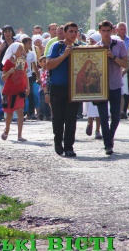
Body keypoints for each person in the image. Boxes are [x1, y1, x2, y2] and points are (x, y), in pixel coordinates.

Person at [46, 22, 80, 157]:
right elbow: (48, 64)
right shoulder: (57, 46)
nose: (73, 34)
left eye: (75, 31)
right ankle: (58, 142)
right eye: (70, 31)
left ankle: (69, 147)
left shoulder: (80, 48)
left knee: (71, 119)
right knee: (58, 118)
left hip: (74, 89)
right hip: (57, 88)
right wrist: (64, 55)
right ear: (64, 33)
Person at [95, 20, 128, 155]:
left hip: (115, 84)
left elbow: (125, 64)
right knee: (103, 116)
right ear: (99, 31)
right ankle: (107, 144)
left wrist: (113, 57)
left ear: (112, 31)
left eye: (108, 30)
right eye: (103, 31)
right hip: (101, 87)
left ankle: (110, 136)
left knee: (116, 116)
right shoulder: (96, 47)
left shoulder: (119, 44)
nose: (106, 33)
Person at [1, 42, 30, 142]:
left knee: (20, 112)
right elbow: (3, 78)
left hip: (20, 90)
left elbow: (25, 75)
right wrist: (9, 71)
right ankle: (7, 129)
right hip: (8, 92)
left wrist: (28, 87)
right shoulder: (8, 63)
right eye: (20, 50)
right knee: (9, 113)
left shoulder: (23, 62)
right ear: (14, 51)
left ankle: (19, 135)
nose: (23, 52)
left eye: (23, 50)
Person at [116, 22, 129, 119]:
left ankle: (124, 111)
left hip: (128, 67)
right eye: (121, 29)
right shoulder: (114, 40)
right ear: (117, 30)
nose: (123, 31)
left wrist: (126, 69)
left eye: (124, 29)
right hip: (116, 67)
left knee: (126, 91)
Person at [38, 56, 51, 121]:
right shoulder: (39, 71)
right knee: (42, 102)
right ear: (40, 63)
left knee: (48, 103)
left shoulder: (49, 70)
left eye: (46, 61)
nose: (45, 63)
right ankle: (41, 114)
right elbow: (37, 79)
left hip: (48, 89)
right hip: (41, 89)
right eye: (44, 62)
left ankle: (48, 115)